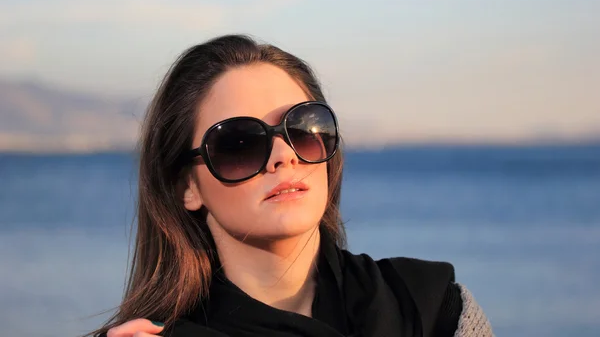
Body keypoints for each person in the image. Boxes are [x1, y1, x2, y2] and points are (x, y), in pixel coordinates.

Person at [90, 35, 493, 337]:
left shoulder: (432, 309)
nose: (284, 155)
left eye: (302, 128)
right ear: (187, 186)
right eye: (239, 143)